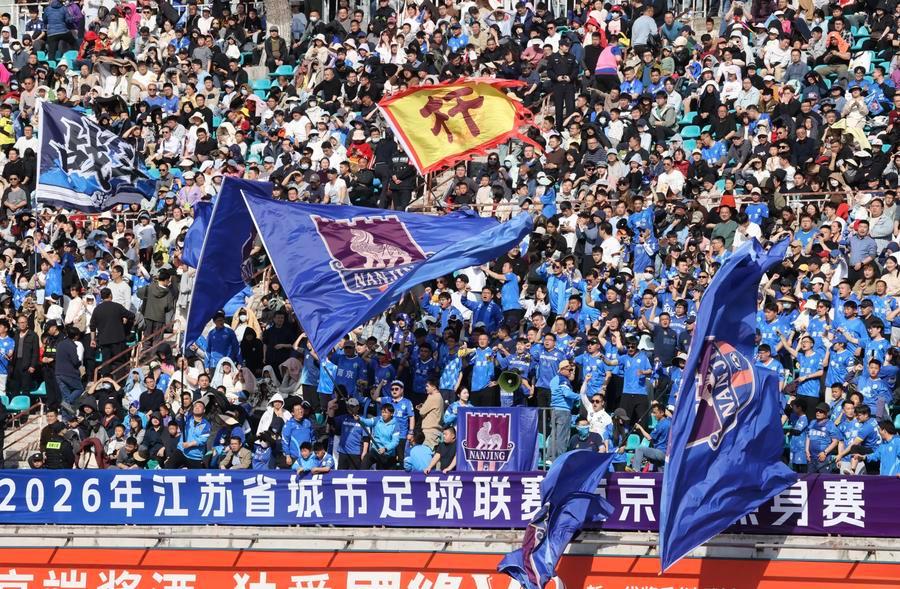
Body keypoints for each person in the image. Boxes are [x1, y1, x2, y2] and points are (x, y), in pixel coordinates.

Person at [89, 288, 134, 377]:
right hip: (118, 339)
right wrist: (124, 320)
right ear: (110, 295)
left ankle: (106, 381)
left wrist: (93, 339)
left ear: (101, 297)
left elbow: (92, 326)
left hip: (104, 341)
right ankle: (120, 381)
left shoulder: (97, 309)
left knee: (106, 362)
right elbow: (131, 315)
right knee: (119, 361)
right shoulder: (117, 307)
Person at [167, 401, 210, 469]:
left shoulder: (206, 424)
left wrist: (190, 444)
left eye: (200, 406)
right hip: (181, 450)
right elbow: (178, 420)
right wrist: (180, 414)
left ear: (204, 410)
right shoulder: (188, 417)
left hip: (195, 456)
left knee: (197, 475)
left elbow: (203, 440)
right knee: (168, 467)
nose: (197, 407)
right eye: (195, 406)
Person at [357, 403, 400, 470]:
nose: (383, 414)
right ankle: (362, 475)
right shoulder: (377, 419)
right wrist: (359, 418)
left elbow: (395, 442)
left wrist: (385, 449)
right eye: (382, 412)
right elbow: (367, 422)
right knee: (366, 459)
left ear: (391, 414)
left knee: (384, 472)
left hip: (388, 454)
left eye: (385, 412)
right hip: (375, 450)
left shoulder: (395, 425)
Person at [630, 404, 670, 472]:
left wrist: (640, 428)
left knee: (640, 449)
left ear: (662, 413)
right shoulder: (669, 422)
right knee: (661, 474)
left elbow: (649, 437)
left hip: (660, 452)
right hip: (666, 454)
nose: (653, 415)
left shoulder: (661, 425)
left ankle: (636, 471)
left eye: (655, 413)